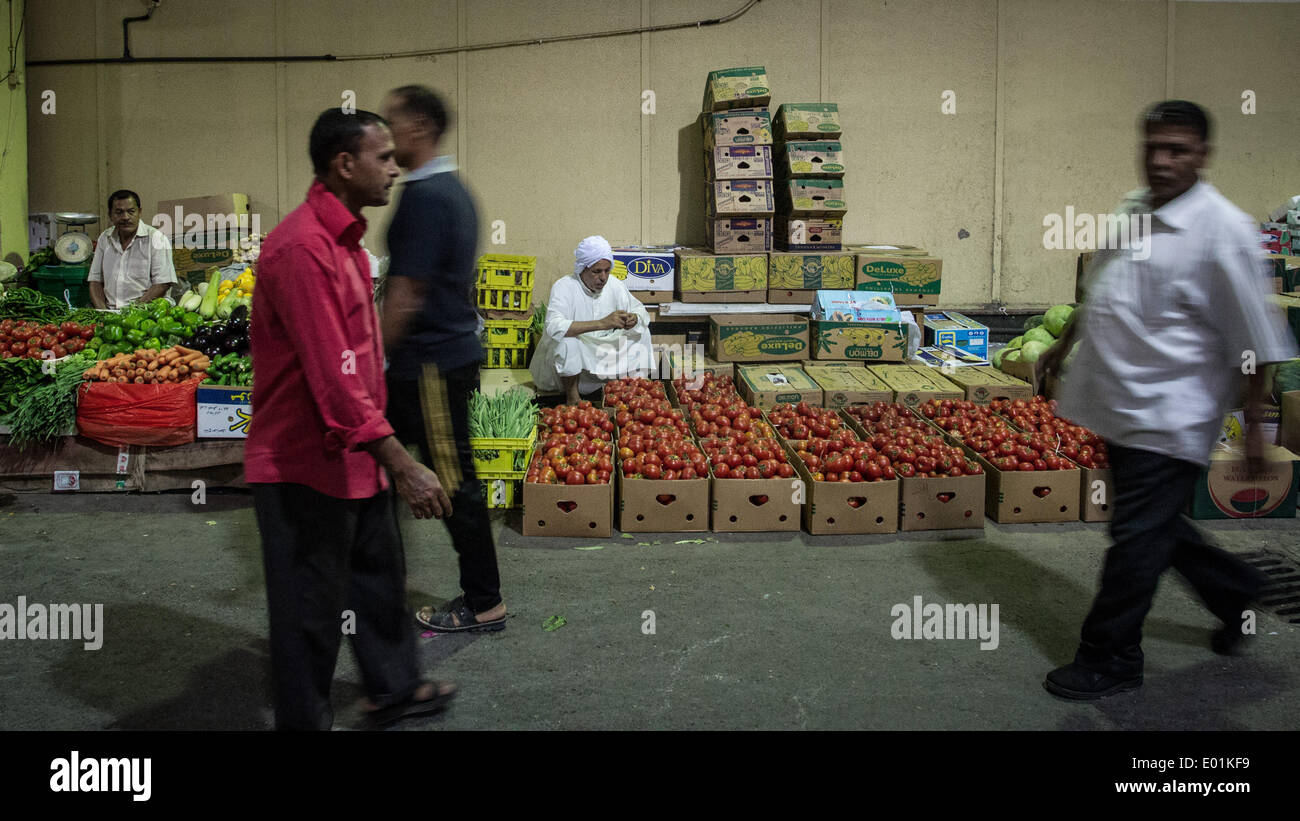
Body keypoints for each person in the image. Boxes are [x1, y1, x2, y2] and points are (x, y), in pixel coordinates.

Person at [1039, 100, 1297, 701]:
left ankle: (1111, 657)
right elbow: (1102, 286)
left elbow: (1255, 338)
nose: (1161, 161)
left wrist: (1256, 430)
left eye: (1177, 150)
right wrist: (1064, 343)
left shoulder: (1222, 232)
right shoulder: (1135, 207)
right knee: (1151, 526)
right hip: (1117, 401)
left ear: (1203, 156)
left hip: (1172, 413)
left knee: (1133, 539)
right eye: (1153, 147)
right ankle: (1234, 589)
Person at [246, 107, 456, 730]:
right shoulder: (302, 249)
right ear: (345, 164)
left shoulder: (345, 240)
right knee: (310, 611)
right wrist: (403, 460)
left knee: (377, 576)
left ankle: (393, 688)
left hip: (355, 456)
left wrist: (380, 451)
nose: (396, 168)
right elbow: (332, 380)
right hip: (303, 465)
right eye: (384, 157)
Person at [379, 85, 507, 634]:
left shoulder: (426, 196)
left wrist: (373, 360)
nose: (386, 137)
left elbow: (406, 292)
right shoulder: (452, 188)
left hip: (428, 365)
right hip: (431, 361)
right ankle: (373, 580)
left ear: (420, 128)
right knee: (376, 462)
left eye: (393, 124)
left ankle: (484, 601)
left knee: (454, 480)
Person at [531, 236, 653, 404]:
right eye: (596, 271)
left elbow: (639, 309)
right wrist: (602, 323)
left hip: (604, 353)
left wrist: (635, 318)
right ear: (582, 268)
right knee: (567, 342)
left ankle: (634, 391)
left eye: (607, 270)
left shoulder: (615, 285)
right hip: (574, 366)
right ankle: (573, 398)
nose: (603, 277)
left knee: (642, 332)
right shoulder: (564, 287)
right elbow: (554, 326)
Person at [87, 189, 177, 309]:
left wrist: (132, 310)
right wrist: (103, 312)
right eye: (119, 212)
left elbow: (162, 283)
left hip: (147, 311)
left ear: (139, 212)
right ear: (110, 215)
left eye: (131, 211)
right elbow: (95, 280)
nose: (125, 217)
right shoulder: (105, 238)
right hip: (111, 311)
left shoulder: (157, 239)